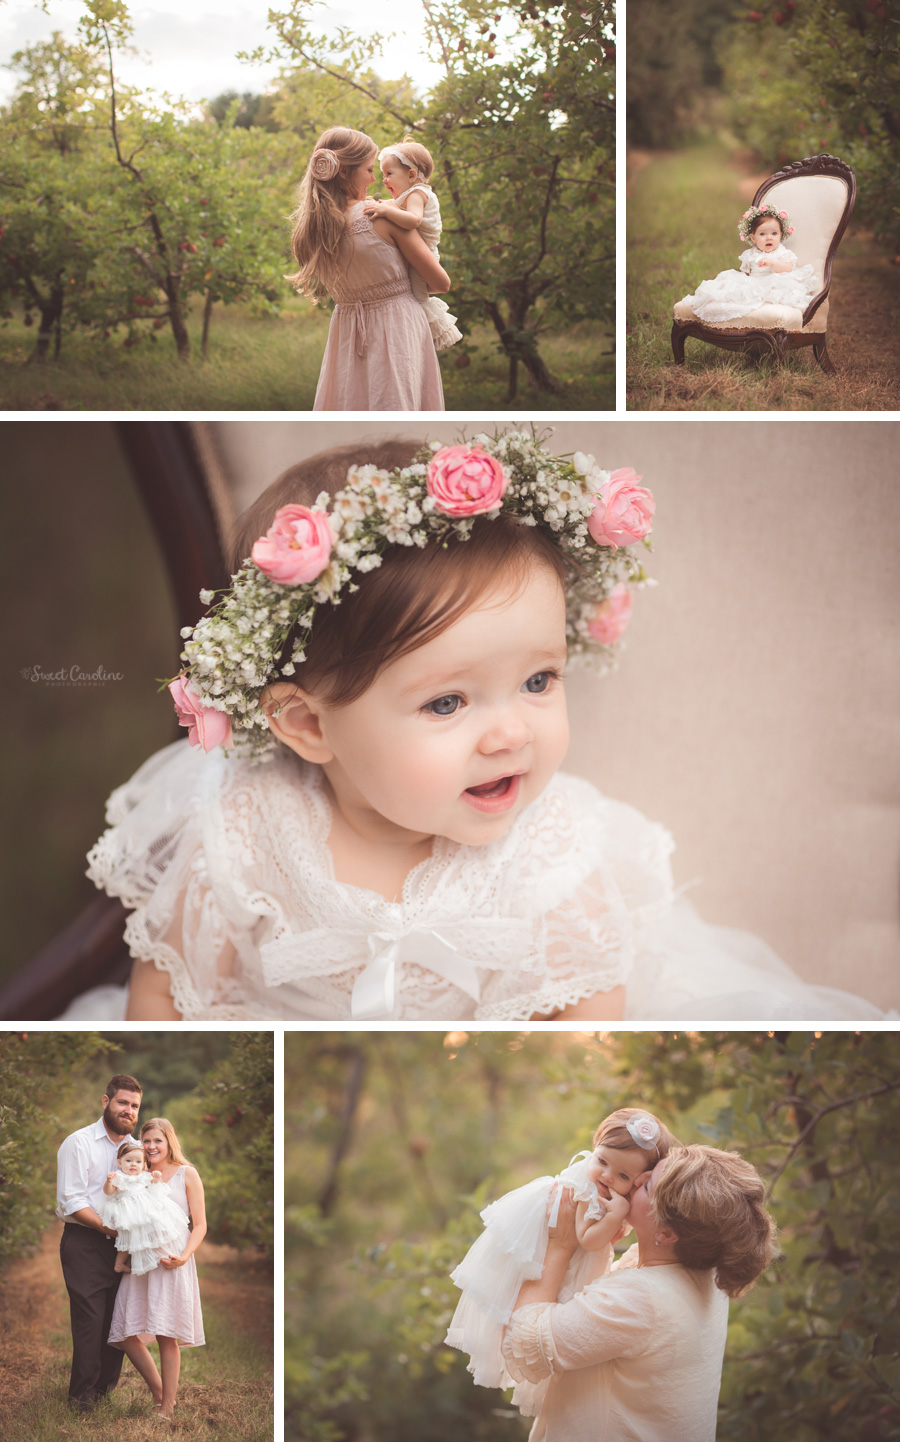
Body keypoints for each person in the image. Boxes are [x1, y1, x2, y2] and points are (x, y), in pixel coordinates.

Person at [79, 431, 891, 1023]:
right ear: (307, 725)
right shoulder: (245, 830)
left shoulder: (559, 854)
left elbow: (585, 1021)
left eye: (538, 681)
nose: (510, 734)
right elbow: (167, 999)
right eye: (447, 703)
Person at [501, 1144, 778, 1442]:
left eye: (647, 1185)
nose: (636, 1178)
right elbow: (603, 1322)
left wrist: (560, 1244)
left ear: (667, 1234)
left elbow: (522, 1339)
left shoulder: (642, 1298)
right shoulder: (705, 1269)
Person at [445, 1108, 678, 1417]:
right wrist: (617, 1216)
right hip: (551, 1253)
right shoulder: (584, 1190)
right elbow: (588, 1239)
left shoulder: (604, 1191)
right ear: (594, 1149)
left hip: (573, 1258)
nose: (606, 1177)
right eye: (602, 1161)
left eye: (623, 1176)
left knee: (561, 1327)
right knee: (538, 1325)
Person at [288, 126, 448, 410]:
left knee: (351, 400)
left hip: (347, 332)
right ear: (344, 172)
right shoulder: (380, 217)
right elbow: (440, 283)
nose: (375, 179)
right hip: (397, 330)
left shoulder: (314, 231)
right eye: (370, 170)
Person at [108, 1118, 206, 1421]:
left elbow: (200, 1225)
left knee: (166, 1335)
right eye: (146, 1141)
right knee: (124, 1331)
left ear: (169, 1142)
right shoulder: (138, 1172)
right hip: (140, 1262)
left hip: (171, 1262)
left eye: (157, 1141)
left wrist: (185, 1256)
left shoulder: (187, 1174)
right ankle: (160, 1392)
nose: (151, 1147)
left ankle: (165, 1407)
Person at [56, 1073, 143, 1413]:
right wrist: (110, 1229)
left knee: (117, 1320)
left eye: (135, 1105)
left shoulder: (135, 1150)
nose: (129, 1110)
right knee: (91, 1320)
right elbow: (71, 1201)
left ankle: (105, 1392)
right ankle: (81, 1398)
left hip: (126, 1246)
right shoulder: (78, 1143)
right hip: (86, 1240)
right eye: (123, 1102)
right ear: (106, 1102)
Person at [362, 141, 462, 351]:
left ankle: (426, 330)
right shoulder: (405, 196)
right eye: (383, 174)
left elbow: (414, 220)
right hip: (417, 253)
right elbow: (391, 206)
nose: (384, 180)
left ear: (411, 175)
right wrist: (381, 206)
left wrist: (386, 212)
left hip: (424, 255)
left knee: (417, 297)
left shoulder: (418, 194)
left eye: (389, 173)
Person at [679, 200, 819, 324]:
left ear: (781, 235)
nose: (769, 238)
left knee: (777, 289)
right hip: (755, 282)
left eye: (774, 234)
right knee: (732, 287)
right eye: (762, 234)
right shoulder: (750, 255)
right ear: (753, 238)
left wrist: (772, 263)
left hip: (776, 281)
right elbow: (745, 273)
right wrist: (742, 282)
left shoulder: (781, 252)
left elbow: (788, 268)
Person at [100, 1141, 190, 1276]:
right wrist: (108, 1182)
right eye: (128, 1160)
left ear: (143, 1164)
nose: (133, 1164)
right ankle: (119, 1264)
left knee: (150, 1230)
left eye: (137, 1162)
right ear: (120, 1163)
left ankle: (154, 1252)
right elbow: (108, 1192)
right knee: (128, 1239)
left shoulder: (143, 1176)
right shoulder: (119, 1177)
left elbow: (152, 1186)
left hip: (144, 1212)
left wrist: (155, 1179)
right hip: (128, 1213)